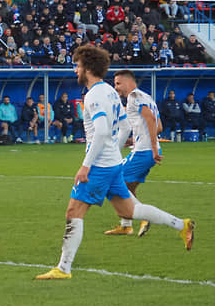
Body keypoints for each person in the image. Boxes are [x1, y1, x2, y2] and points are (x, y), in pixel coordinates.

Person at [36, 46, 194, 280]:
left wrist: (86, 165)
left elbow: (100, 132)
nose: (75, 70)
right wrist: (114, 150)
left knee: (74, 211)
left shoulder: (94, 95)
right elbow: (125, 126)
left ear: (88, 68)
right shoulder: (109, 91)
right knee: (130, 210)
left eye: (77, 65)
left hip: (99, 166)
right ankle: (182, 225)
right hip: (112, 164)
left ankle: (63, 268)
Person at [104, 71, 162, 236]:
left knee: (114, 180)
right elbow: (159, 126)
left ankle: (144, 216)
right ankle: (126, 225)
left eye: (118, 83)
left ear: (128, 82)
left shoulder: (133, 97)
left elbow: (150, 119)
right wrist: (137, 140)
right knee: (128, 187)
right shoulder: (148, 97)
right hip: (146, 149)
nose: (116, 88)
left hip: (144, 151)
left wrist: (152, 147)